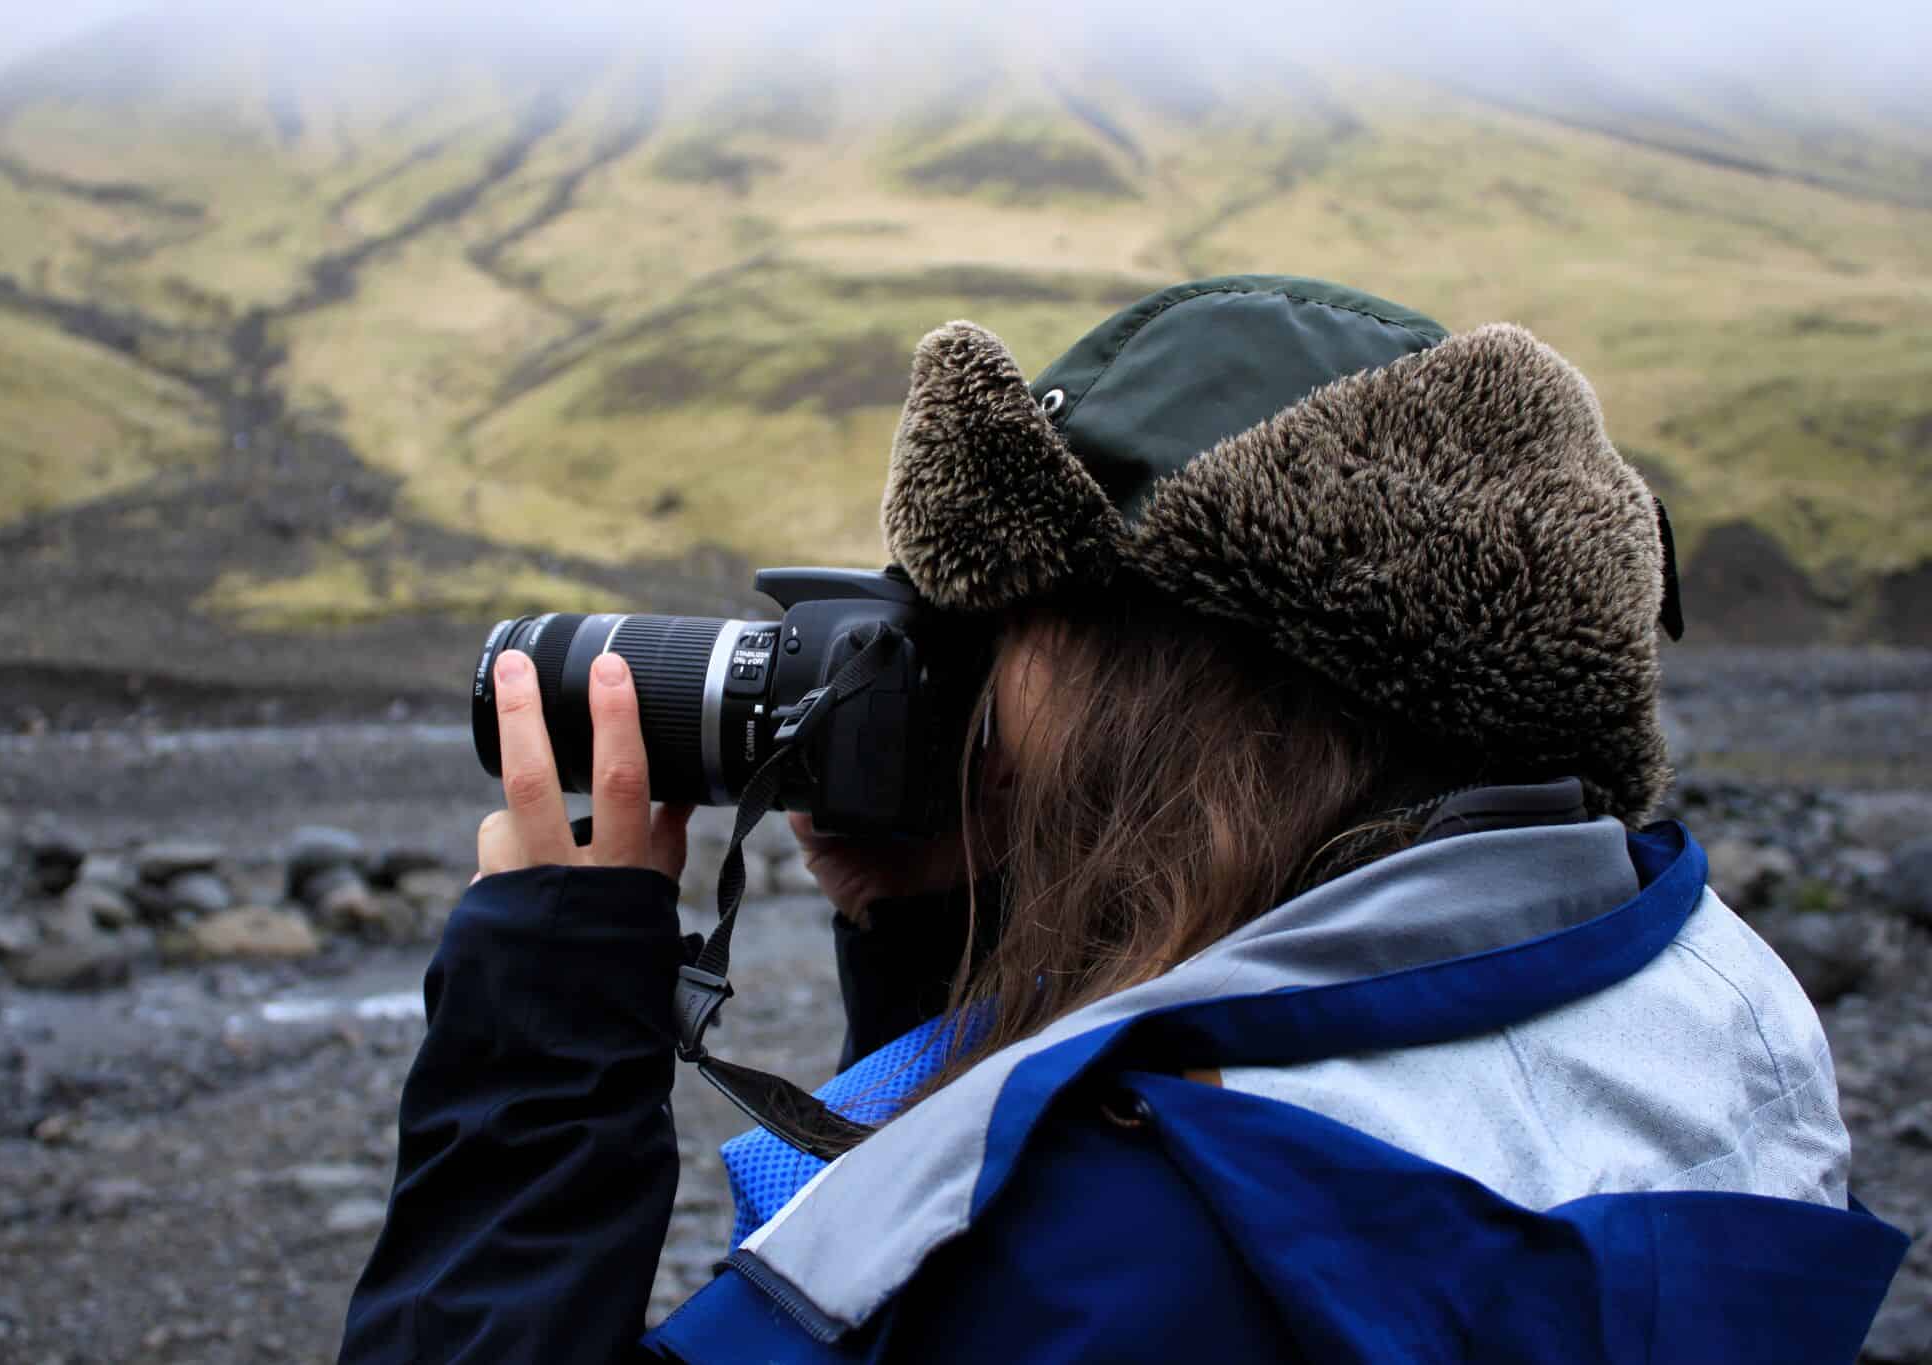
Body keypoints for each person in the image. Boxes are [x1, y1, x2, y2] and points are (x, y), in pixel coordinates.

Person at [337, 276, 1905, 1364]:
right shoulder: (1715, 1000)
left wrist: (542, 1032)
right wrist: (963, 937)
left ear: (1147, 689)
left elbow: (1018, 1265)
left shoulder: (1116, 1243)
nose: (976, 697)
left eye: (1007, 639)